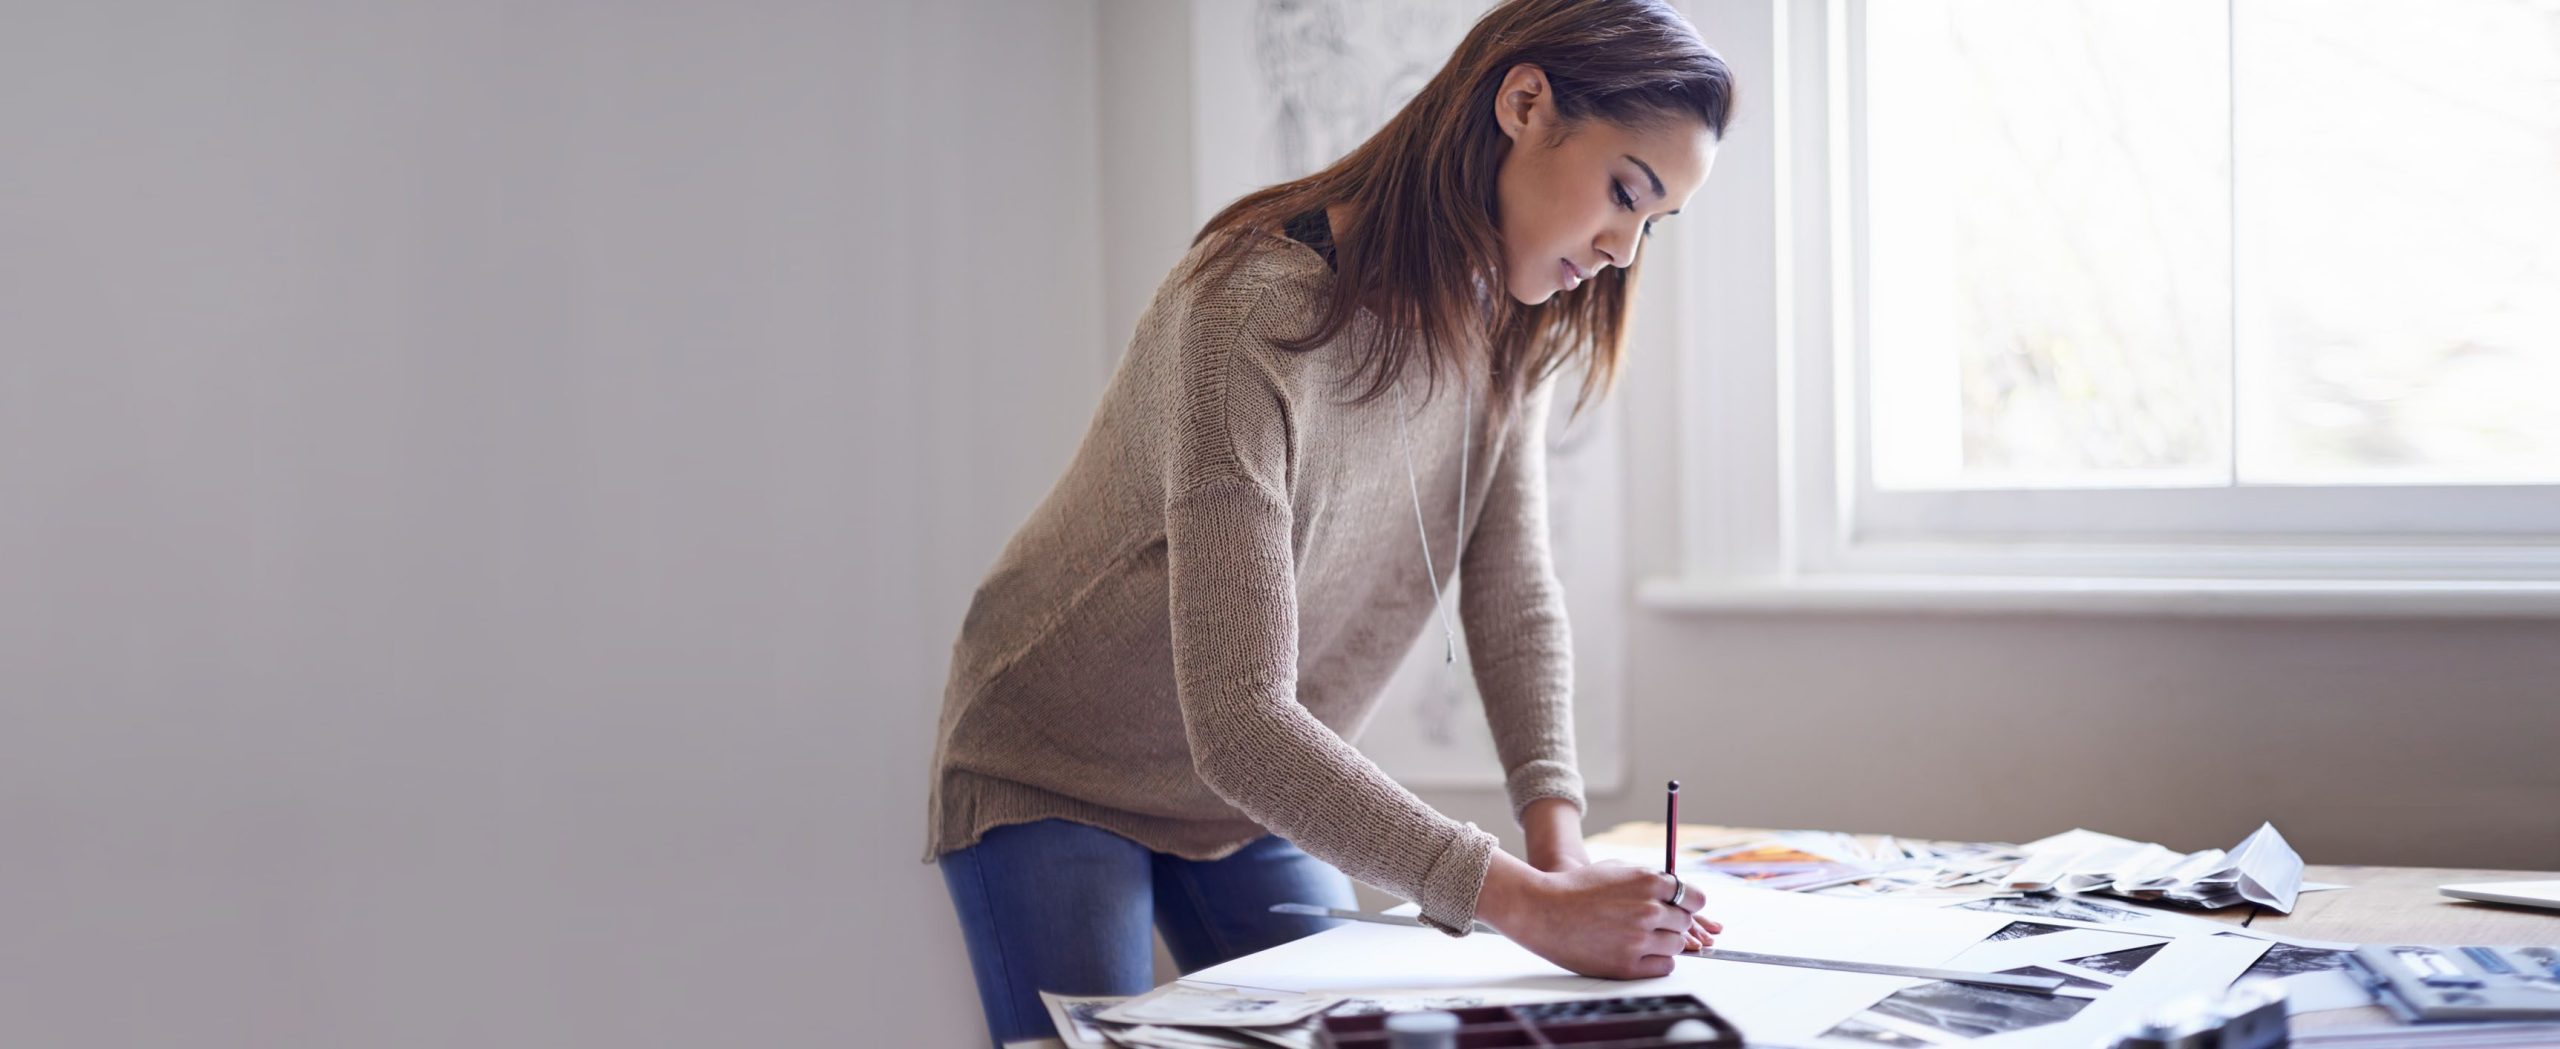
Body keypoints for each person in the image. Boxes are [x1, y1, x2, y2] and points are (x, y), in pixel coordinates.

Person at [923, 1, 1734, 1042]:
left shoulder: (1508, 323)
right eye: (1626, 190)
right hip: (1057, 761)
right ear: (1524, 103)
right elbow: (1242, 720)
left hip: (1245, 792)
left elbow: (1512, 591)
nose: (1625, 248)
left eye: (1654, 222)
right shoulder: (1249, 311)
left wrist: (1558, 845)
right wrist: (1529, 905)